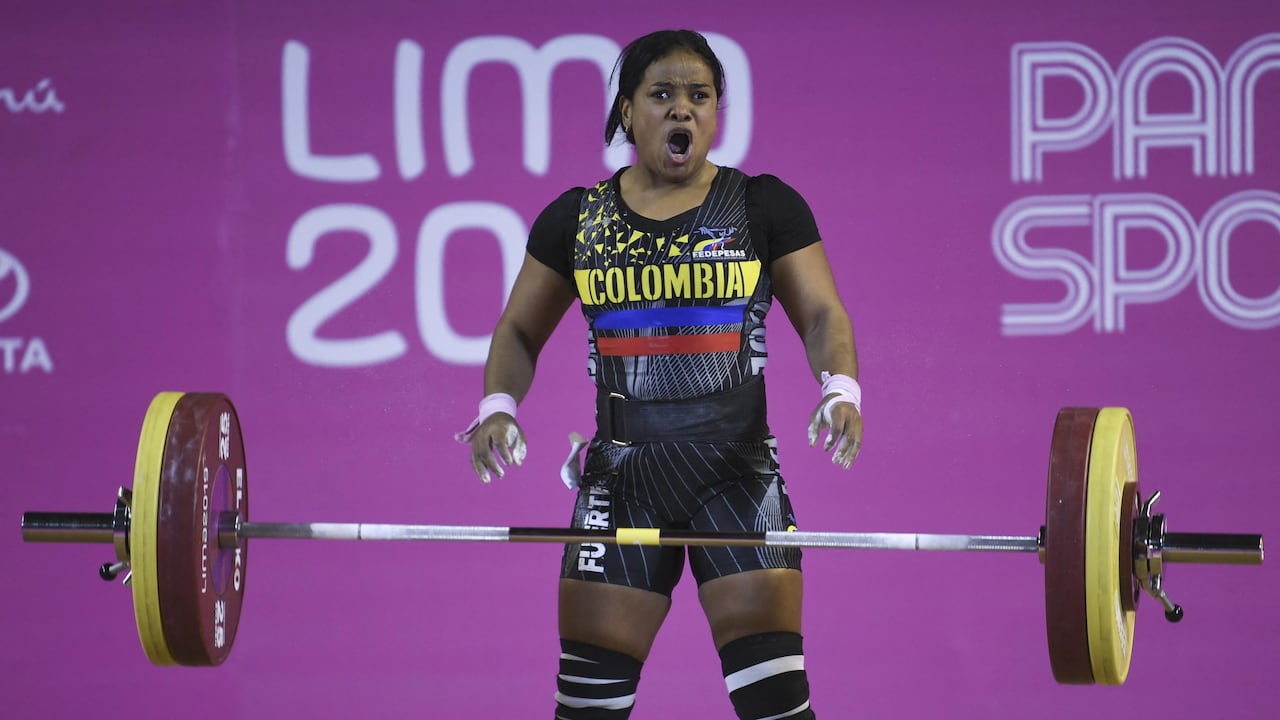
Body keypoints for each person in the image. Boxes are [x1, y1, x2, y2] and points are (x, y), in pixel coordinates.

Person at [458, 29, 862, 720]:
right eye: (662, 94)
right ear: (627, 111)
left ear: (715, 112)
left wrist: (840, 388)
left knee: (776, 708)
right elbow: (519, 329)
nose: (682, 109)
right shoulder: (576, 218)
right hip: (621, 480)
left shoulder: (762, 206)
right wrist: (498, 404)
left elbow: (823, 315)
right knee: (587, 711)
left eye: (699, 96)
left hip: (737, 478)